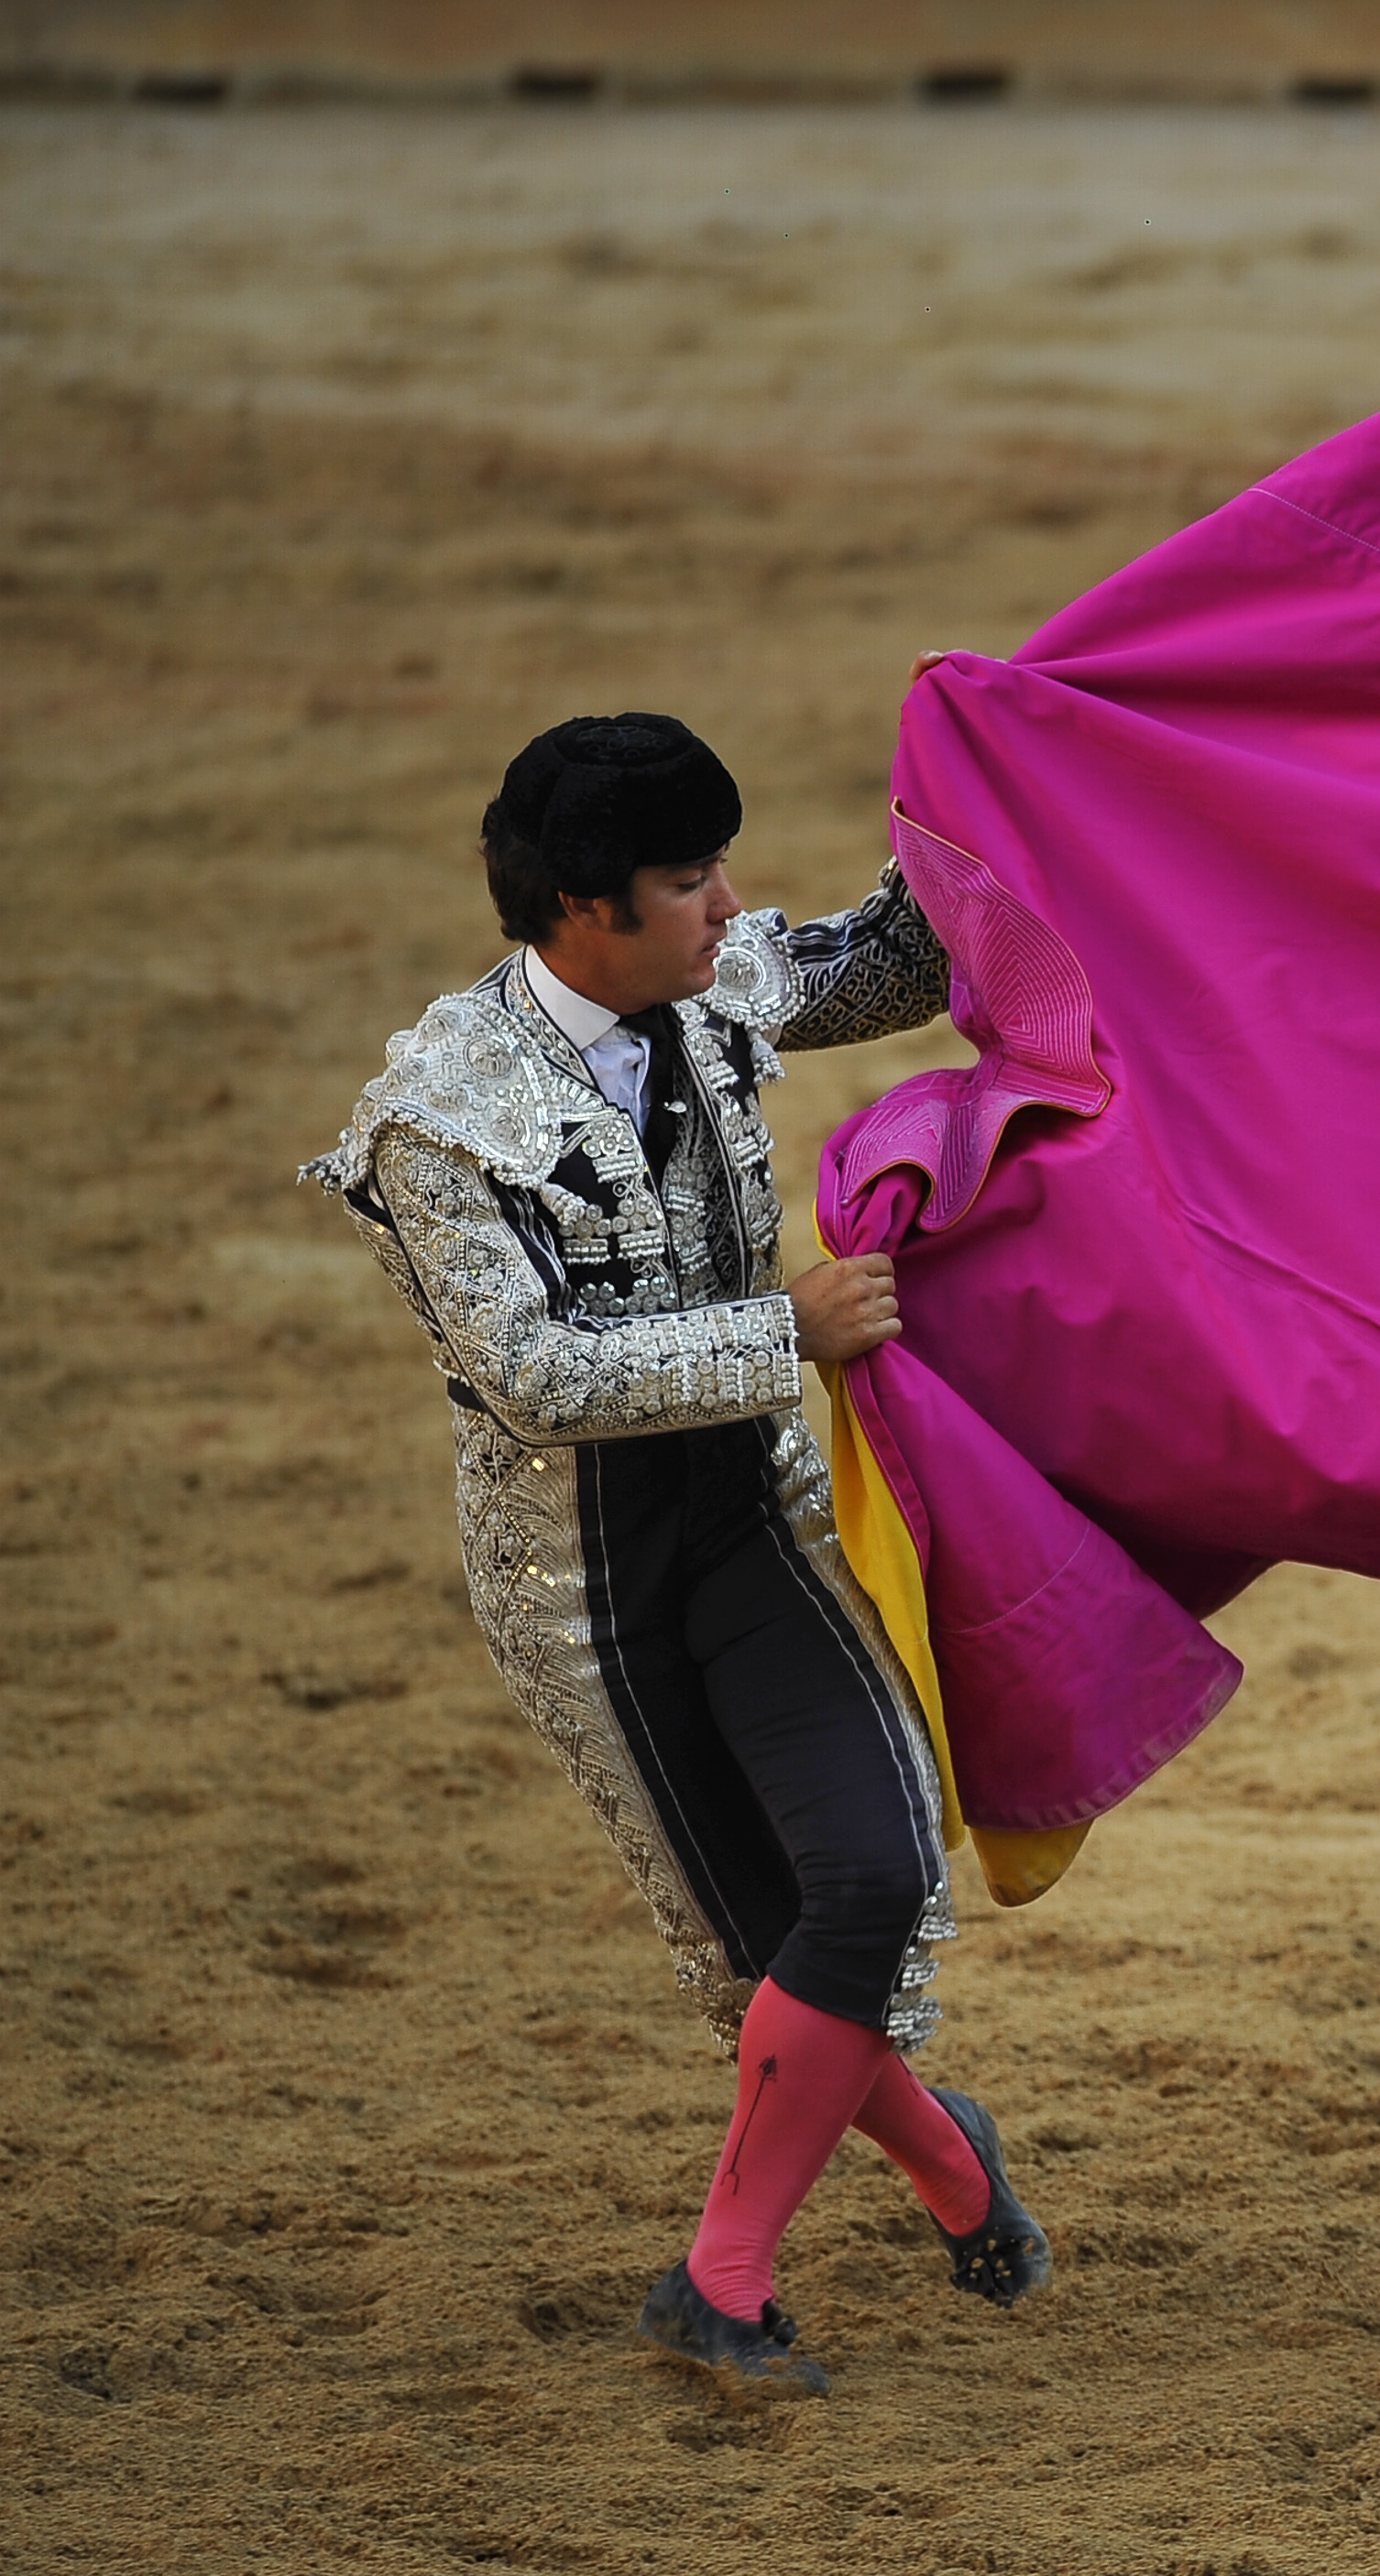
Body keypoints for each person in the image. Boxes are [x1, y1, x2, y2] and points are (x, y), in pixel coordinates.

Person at [305, 712, 1049, 2397]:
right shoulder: (437, 1118)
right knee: (761, 1942)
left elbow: (892, 957)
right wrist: (777, 1327)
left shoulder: (707, 980)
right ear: (583, 909)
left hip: (757, 1526)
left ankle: (721, 2278)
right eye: (688, 881)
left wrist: (1015, 770)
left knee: (866, 1883)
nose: (729, 908)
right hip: (592, 1588)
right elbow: (532, 1375)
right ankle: (946, 2163)